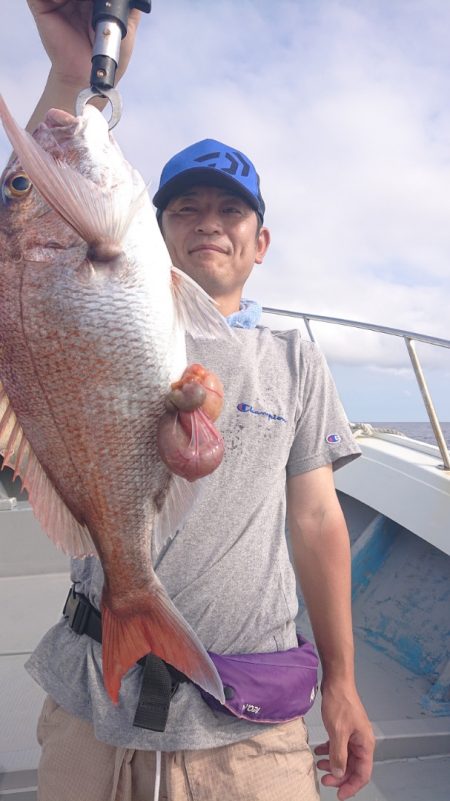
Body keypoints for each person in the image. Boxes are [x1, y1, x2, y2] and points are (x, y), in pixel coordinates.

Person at [22, 3, 375, 800]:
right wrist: (74, 80)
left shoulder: (297, 358)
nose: (207, 223)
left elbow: (317, 519)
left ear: (261, 241)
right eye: (184, 208)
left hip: (249, 731)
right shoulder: (116, 315)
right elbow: (29, 236)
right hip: (93, 706)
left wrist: (343, 682)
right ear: (152, 230)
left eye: (230, 210)